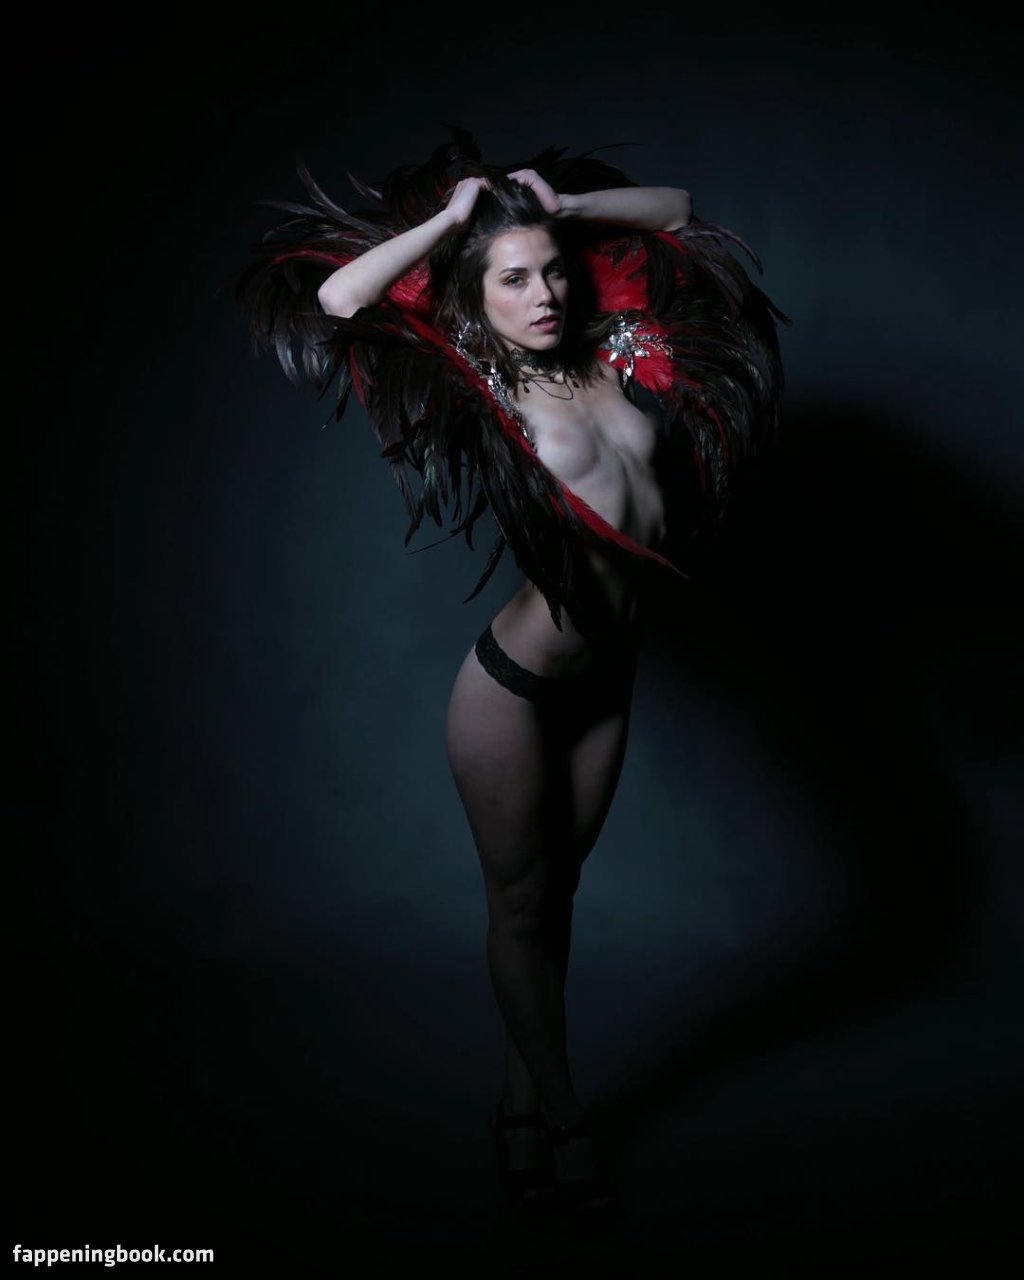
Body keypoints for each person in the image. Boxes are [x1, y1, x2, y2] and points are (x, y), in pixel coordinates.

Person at [236, 131, 786, 1213]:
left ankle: (519, 1105)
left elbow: (676, 207)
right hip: (514, 692)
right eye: (515, 279)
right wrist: (452, 221)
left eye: (551, 273)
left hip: (607, 681)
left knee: (554, 901)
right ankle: (565, 1117)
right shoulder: (484, 374)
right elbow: (342, 299)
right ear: (475, 298)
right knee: (522, 904)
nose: (543, 296)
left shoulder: (614, 349)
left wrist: (557, 211)